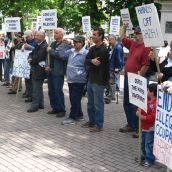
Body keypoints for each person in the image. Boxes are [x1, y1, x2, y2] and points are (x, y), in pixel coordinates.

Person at [119, 24, 151, 135]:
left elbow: (146, 65)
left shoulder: (147, 47)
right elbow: (122, 38)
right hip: (128, 77)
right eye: (135, 33)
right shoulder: (133, 43)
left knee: (136, 104)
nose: (136, 35)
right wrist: (123, 27)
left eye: (138, 33)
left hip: (137, 79)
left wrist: (138, 78)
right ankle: (131, 124)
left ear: (144, 35)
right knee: (127, 102)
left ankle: (138, 127)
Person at [55, 35, 88, 125]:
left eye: (76, 42)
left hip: (79, 80)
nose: (74, 43)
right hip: (71, 79)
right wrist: (63, 45)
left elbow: (88, 67)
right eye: (74, 41)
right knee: (74, 98)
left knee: (74, 99)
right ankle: (79, 114)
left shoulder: (86, 53)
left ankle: (72, 117)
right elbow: (61, 55)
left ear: (82, 43)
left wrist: (84, 76)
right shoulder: (71, 51)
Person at [82, 27, 109, 132]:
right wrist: (91, 61)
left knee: (98, 104)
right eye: (92, 34)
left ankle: (99, 125)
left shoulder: (104, 50)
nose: (92, 36)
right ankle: (92, 121)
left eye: (94, 35)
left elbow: (97, 65)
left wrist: (91, 62)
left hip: (99, 80)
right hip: (91, 78)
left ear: (100, 36)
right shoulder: (92, 48)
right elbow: (86, 60)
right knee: (90, 103)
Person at [46, 27, 71, 117]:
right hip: (50, 70)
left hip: (58, 70)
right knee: (51, 90)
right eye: (54, 33)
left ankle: (61, 109)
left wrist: (51, 51)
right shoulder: (52, 43)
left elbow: (61, 56)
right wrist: (47, 65)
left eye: (56, 33)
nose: (54, 34)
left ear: (61, 34)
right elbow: (47, 56)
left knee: (58, 90)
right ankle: (55, 107)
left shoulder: (64, 44)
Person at [135, 83, 157, 167]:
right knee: (143, 142)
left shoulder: (155, 104)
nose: (146, 92)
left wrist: (143, 117)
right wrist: (138, 112)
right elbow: (141, 108)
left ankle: (150, 159)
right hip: (144, 127)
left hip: (150, 128)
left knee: (149, 144)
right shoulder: (146, 100)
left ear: (152, 92)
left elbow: (153, 117)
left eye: (148, 90)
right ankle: (144, 156)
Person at [27, 31, 48, 112]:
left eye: (37, 36)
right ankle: (40, 104)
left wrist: (31, 61)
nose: (35, 37)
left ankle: (35, 105)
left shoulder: (44, 46)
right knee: (38, 87)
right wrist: (29, 58)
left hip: (40, 70)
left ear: (42, 37)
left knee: (36, 87)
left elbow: (39, 57)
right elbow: (32, 53)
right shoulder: (38, 44)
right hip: (36, 69)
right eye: (35, 35)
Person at [22, 30, 37, 102]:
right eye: (26, 37)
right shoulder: (27, 42)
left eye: (27, 37)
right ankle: (29, 95)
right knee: (27, 81)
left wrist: (28, 46)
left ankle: (33, 96)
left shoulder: (35, 42)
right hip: (26, 64)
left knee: (32, 82)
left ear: (31, 35)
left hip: (32, 64)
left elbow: (35, 50)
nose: (26, 38)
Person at [108, 35, 124, 101]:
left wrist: (117, 68)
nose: (109, 41)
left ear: (114, 39)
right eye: (109, 40)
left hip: (114, 68)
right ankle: (112, 94)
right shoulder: (114, 47)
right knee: (111, 82)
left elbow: (119, 59)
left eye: (110, 40)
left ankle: (112, 95)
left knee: (112, 82)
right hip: (112, 67)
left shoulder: (118, 47)